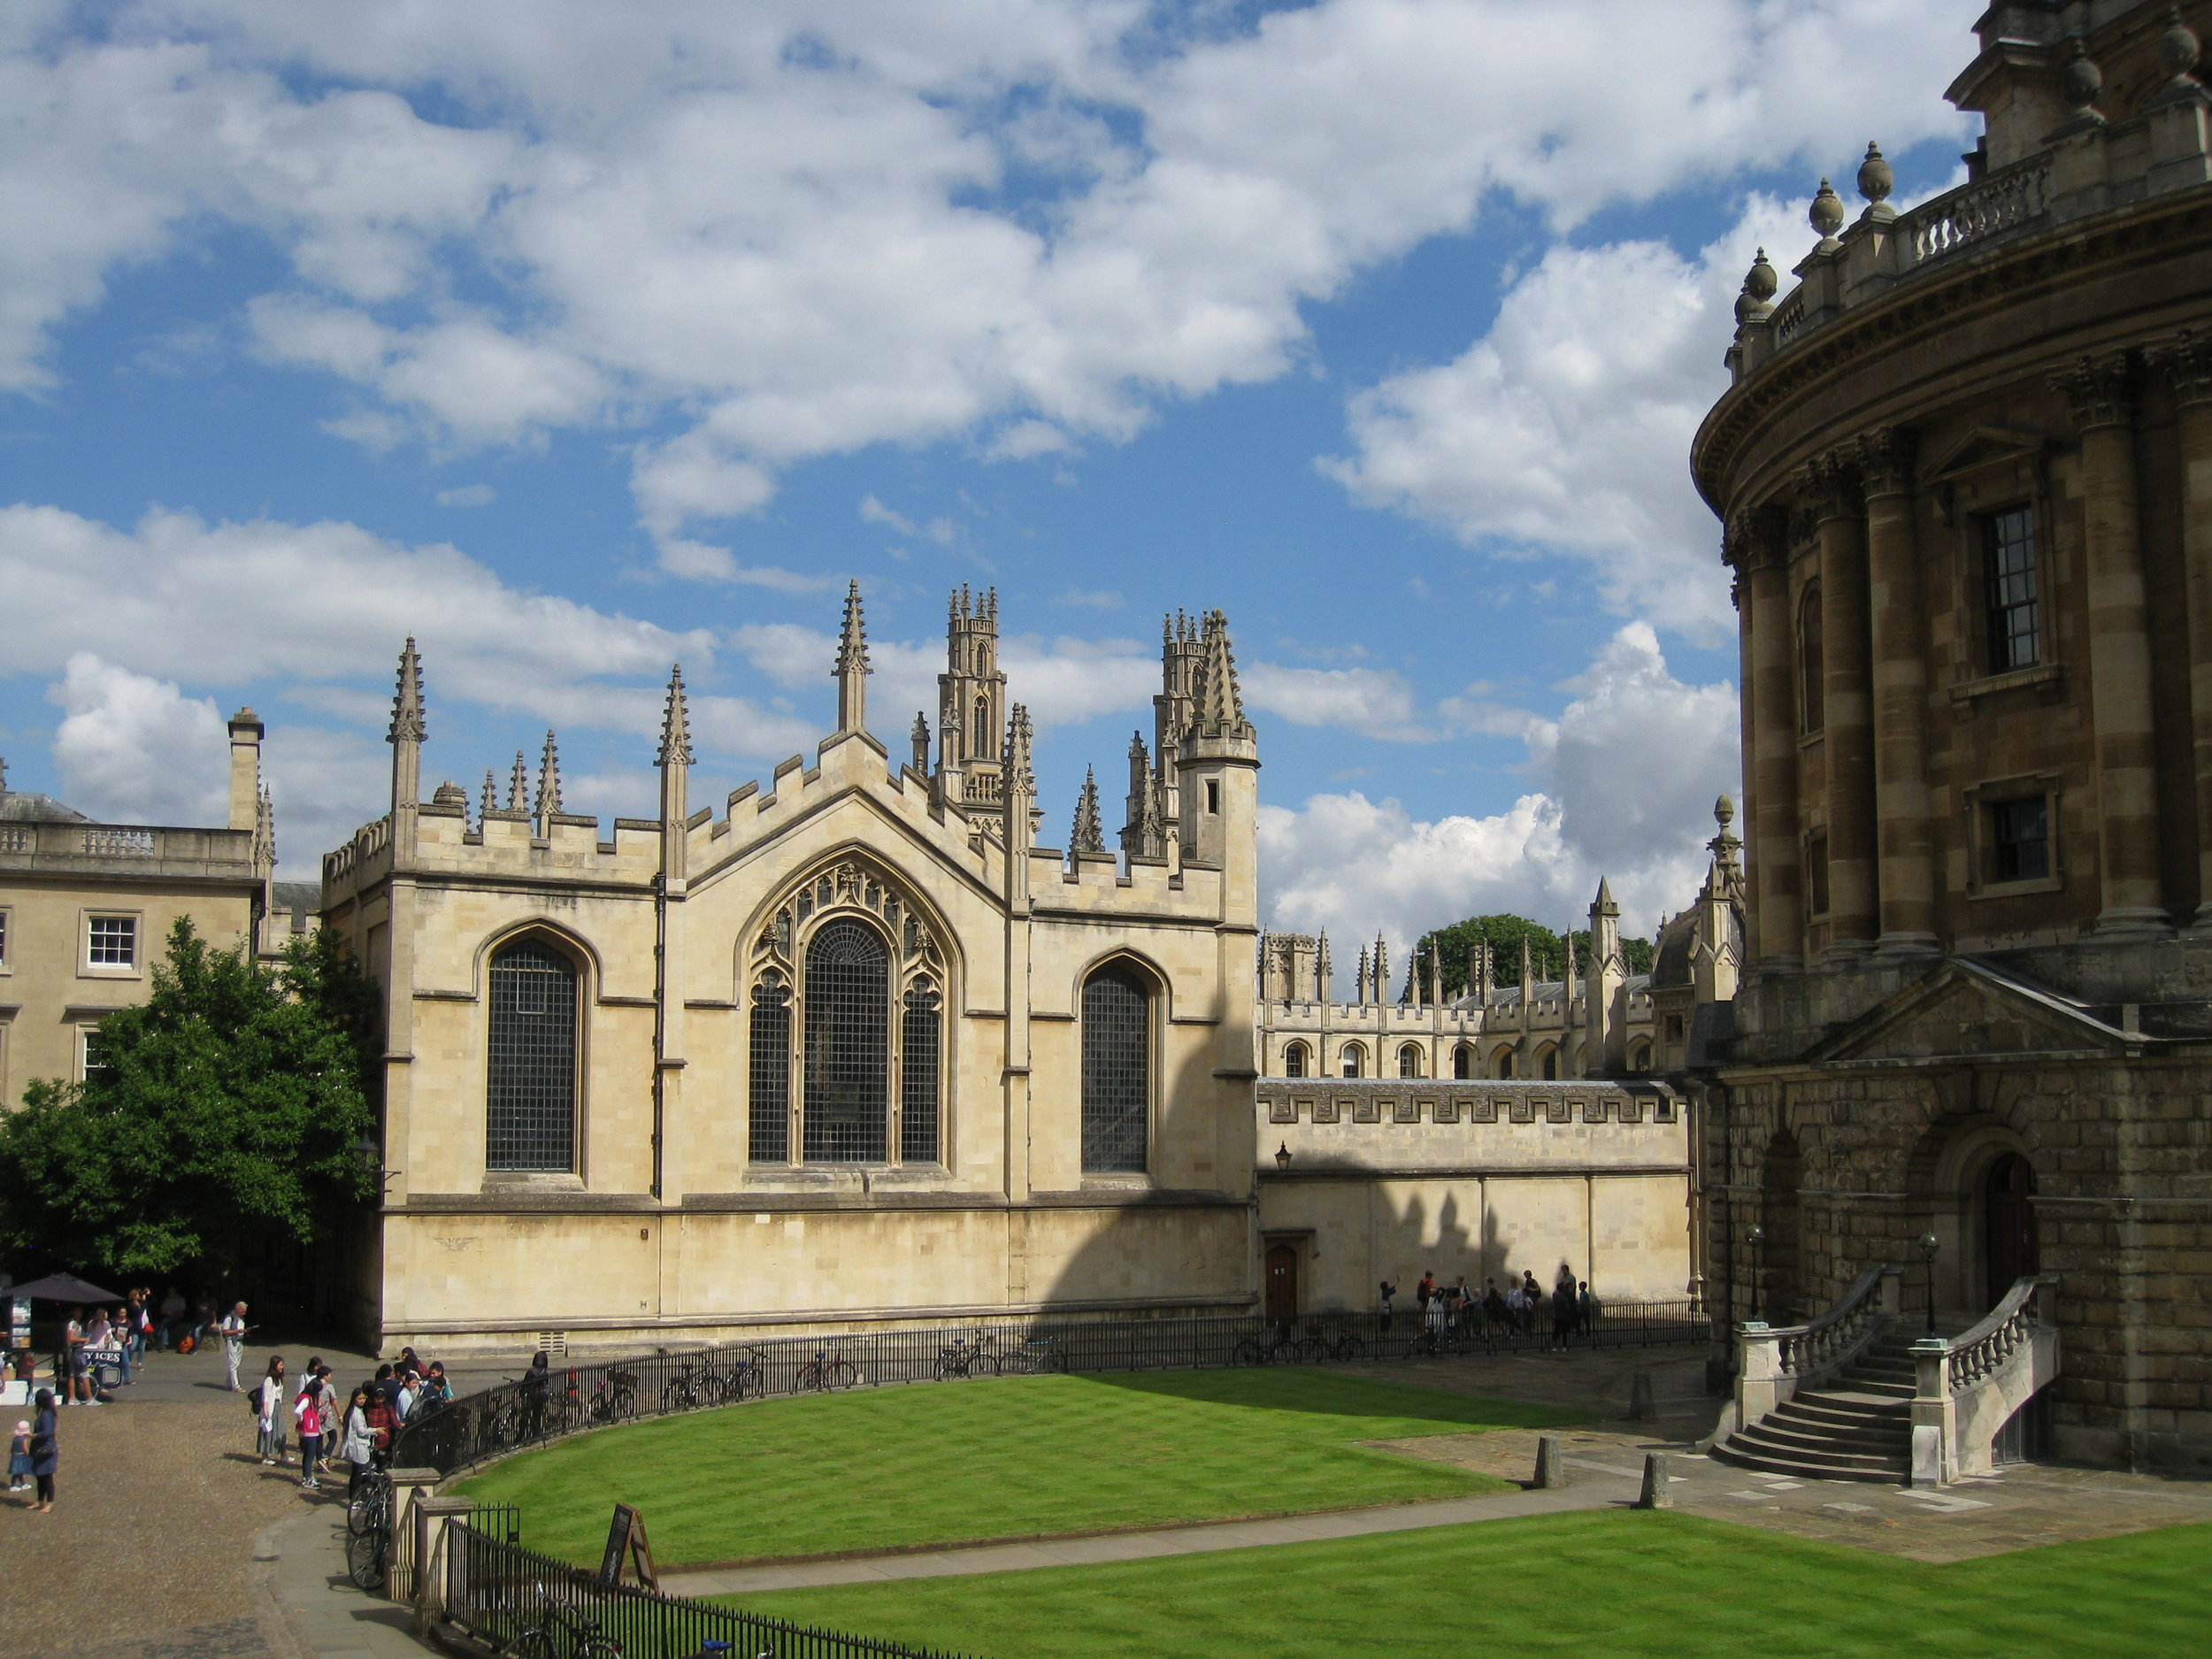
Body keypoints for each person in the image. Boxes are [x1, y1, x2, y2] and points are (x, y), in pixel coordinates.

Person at [340, 1386, 377, 1500]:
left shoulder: (357, 1411)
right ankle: (356, 1497)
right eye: (360, 1399)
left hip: (359, 1446)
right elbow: (361, 1431)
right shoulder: (356, 1413)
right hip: (358, 1446)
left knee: (356, 1473)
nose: (362, 1401)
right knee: (358, 1474)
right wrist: (376, 1430)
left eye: (364, 1398)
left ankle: (355, 1497)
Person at [292, 1375, 324, 1491]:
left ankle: (309, 1477)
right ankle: (307, 1479)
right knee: (310, 1456)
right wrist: (303, 1420)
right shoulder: (306, 1399)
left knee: (308, 1455)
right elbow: (297, 1411)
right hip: (309, 1430)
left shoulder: (305, 1397)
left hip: (309, 1429)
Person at [254, 1357, 288, 1465]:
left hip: (277, 1407)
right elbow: (266, 1396)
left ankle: (283, 1454)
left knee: (280, 1431)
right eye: (280, 1365)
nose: (282, 1367)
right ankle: (265, 1457)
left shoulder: (279, 1378)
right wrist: (266, 1410)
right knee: (267, 1431)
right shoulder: (269, 1379)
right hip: (270, 1408)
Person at [27, 1388, 57, 1513]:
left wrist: (33, 1436)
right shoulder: (47, 1412)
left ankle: (49, 1503)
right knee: (40, 1476)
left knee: (47, 1478)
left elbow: (48, 1432)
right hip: (39, 1449)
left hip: (46, 1449)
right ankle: (40, 1501)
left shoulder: (45, 1415)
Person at [219, 1302, 249, 1391]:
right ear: (237, 1309)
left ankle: (228, 1383)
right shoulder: (229, 1317)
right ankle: (236, 1386)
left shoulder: (241, 1318)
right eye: (242, 1311)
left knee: (236, 1363)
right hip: (231, 1341)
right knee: (233, 1364)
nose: (244, 1313)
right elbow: (225, 1331)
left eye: (245, 1311)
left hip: (240, 1341)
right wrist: (237, 1331)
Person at [157, 1287, 186, 1351]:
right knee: (165, 1326)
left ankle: (161, 1341)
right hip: (167, 1318)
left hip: (177, 1318)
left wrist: (173, 1313)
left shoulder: (180, 1299)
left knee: (164, 1323)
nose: (170, 1293)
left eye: (171, 1292)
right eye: (169, 1292)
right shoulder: (167, 1300)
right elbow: (162, 1310)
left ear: (175, 1292)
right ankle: (163, 1344)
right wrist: (165, 1312)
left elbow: (182, 1312)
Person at [7, 1418, 29, 1492]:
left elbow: (12, 1449)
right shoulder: (24, 1439)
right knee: (17, 1472)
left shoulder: (16, 1439)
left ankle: (23, 1483)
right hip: (21, 1457)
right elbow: (25, 1448)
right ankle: (13, 1485)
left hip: (15, 1456)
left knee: (19, 1471)